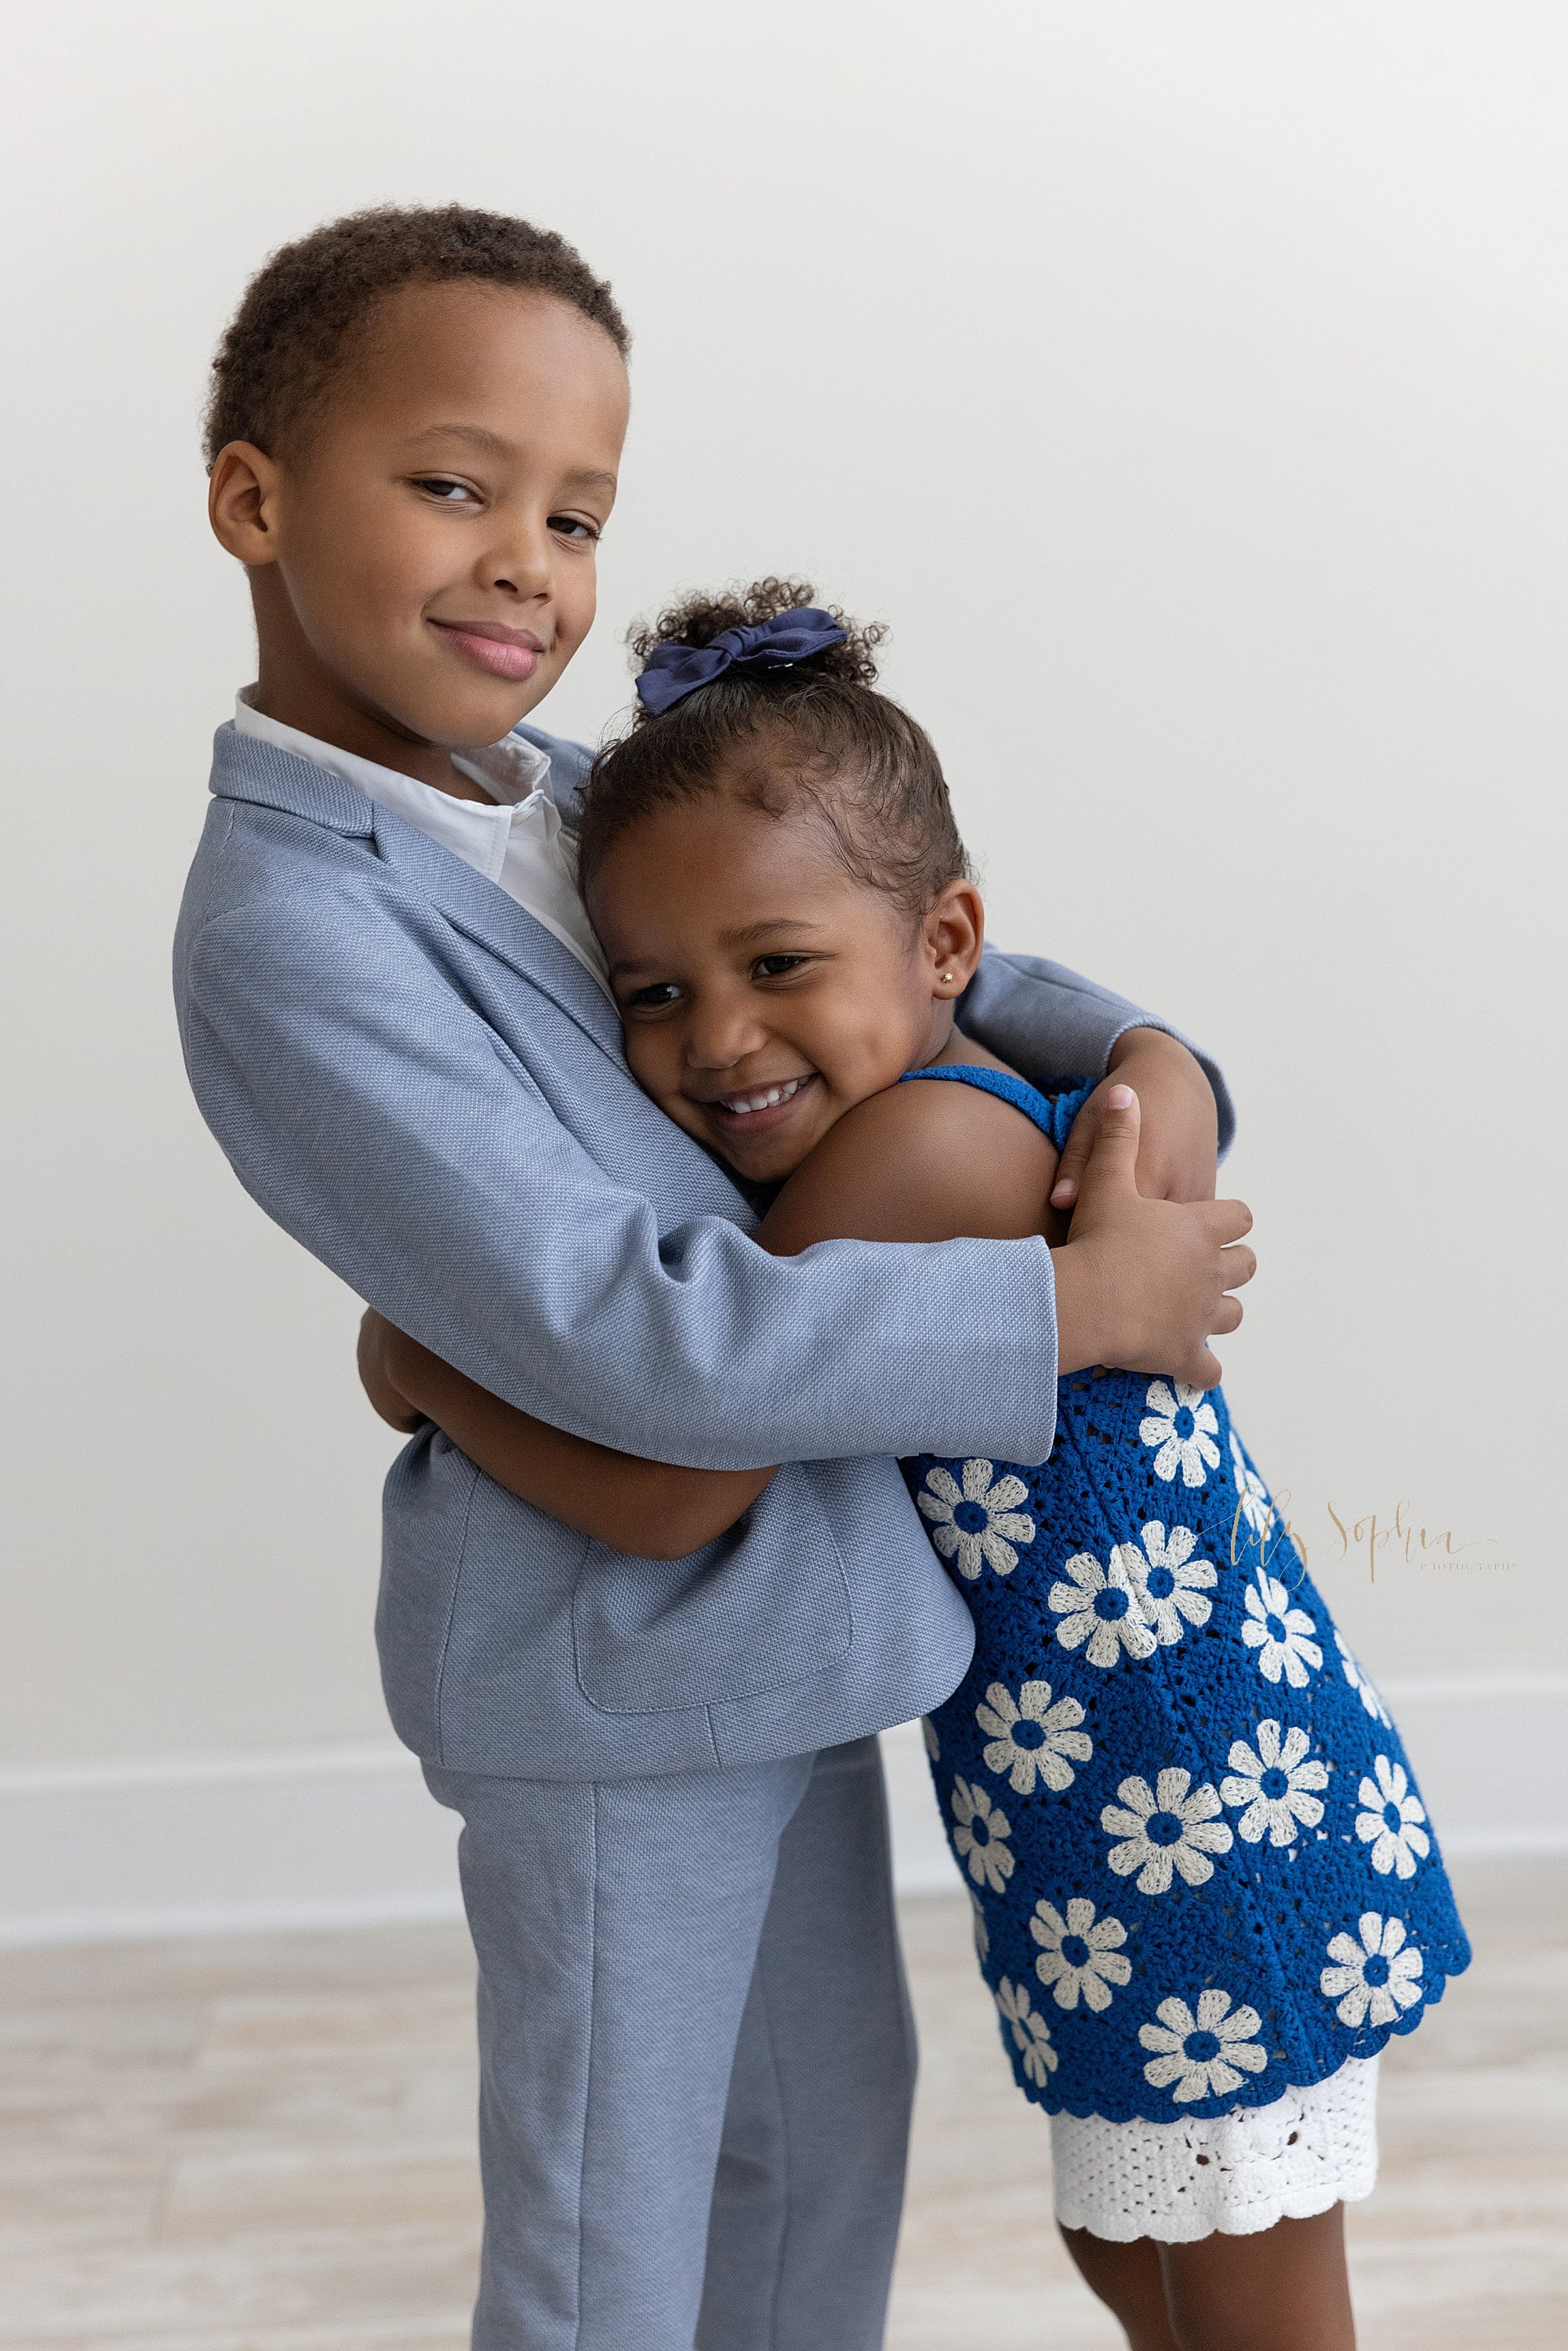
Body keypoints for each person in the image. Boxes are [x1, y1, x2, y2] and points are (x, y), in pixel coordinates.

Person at [176, 202, 1250, 2351]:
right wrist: (1072, 1313)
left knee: (809, 2170)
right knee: (611, 2239)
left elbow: (895, 945)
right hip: (605, 1685)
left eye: (577, 513)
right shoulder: (290, 932)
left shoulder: (564, 798)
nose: (527, 565)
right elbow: (634, 1334)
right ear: (254, 499)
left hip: (797, 1641)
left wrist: (1148, 1070)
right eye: (456, 486)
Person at [365, 581, 1469, 2351]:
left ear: (946, 942)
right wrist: (1159, 1067)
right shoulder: (973, 1103)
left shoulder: (910, 1171)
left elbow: (680, 1480)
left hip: (1187, 1830)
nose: (717, 1038)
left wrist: (428, 1357)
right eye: (653, 993)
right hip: (1120, 1823)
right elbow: (1129, 1055)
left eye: (776, 966)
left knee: (1251, 2297)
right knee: (1143, 2263)